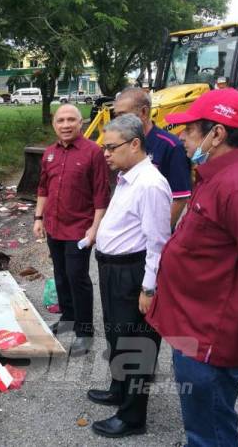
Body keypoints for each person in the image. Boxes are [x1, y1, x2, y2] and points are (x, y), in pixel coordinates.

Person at [146, 88, 238, 446]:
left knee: (213, 428)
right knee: (202, 424)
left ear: (216, 134)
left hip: (211, 339)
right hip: (195, 331)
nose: (181, 137)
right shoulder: (214, 175)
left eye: (189, 129)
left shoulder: (235, 186)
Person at [88, 114, 171, 438]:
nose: (106, 153)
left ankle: (133, 417)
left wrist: (148, 288)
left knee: (136, 344)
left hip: (133, 272)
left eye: (111, 147)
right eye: (104, 147)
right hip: (112, 269)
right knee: (116, 335)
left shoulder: (150, 184)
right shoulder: (127, 177)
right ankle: (119, 390)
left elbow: (158, 243)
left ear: (135, 144)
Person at [33, 104, 110, 356]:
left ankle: (84, 332)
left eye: (71, 120)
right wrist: (38, 218)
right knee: (61, 274)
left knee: (78, 278)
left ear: (81, 123)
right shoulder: (49, 153)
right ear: (54, 124)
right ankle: (68, 317)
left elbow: (101, 195)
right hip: (54, 226)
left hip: (79, 229)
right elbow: (43, 188)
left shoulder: (93, 152)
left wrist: (94, 229)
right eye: (60, 120)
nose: (65, 125)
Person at [113, 87, 191, 229]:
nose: (118, 121)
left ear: (144, 112)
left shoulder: (171, 146)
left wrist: (159, 234)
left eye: (123, 115)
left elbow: (179, 198)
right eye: (116, 115)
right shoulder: (123, 143)